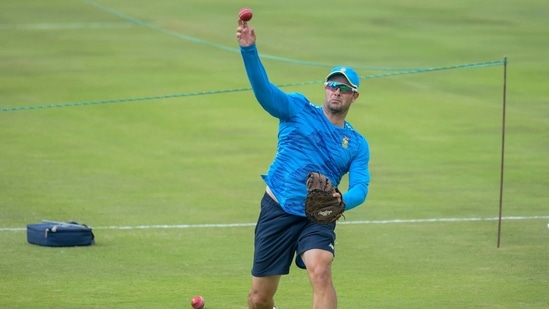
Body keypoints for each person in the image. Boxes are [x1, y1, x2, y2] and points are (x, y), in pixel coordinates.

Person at [236, 17, 371, 309]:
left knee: (321, 271)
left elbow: (361, 186)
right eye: (333, 85)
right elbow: (264, 92)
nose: (337, 91)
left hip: (318, 214)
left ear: (354, 96)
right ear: (325, 88)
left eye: (344, 88)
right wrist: (249, 50)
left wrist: (341, 201)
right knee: (259, 299)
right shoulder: (296, 108)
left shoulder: (357, 144)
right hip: (278, 208)